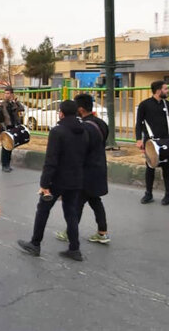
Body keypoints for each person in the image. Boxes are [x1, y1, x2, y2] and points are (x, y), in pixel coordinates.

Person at [17, 100, 89, 262]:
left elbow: (51, 160)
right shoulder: (83, 131)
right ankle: (74, 248)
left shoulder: (58, 131)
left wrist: (44, 183)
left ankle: (35, 244)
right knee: (71, 212)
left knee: (43, 209)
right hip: (76, 178)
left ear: (62, 113)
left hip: (57, 179)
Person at [55, 94, 110, 244]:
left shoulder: (84, 128)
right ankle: (102, 232)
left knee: (76, 203)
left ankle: (69, 233)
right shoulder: (101, 123)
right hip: (100, 168)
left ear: (80, 109)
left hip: (86, 171)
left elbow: (79, 152)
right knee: (95, 200)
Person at [135, 80, 169, 205]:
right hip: (150, 142)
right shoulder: (144, 105)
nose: (168, 91)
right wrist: (139, 139)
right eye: (166, 89)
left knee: (166, 167)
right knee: (150, 167)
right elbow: (139, 123)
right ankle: (148, 194)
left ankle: (168, 195)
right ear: (158, 90)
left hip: (165, 140)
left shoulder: (167, 104)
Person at [0, 86, 25, 172]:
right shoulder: (2, 105)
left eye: (8, 93)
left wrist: (17, 102)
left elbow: (22, 109)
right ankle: (4, 165)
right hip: (5, 127)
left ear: (12, 94)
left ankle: (8, 163)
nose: (6, 95)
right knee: (5, 146)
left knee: (10, 146)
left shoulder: (13, 104)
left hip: (13, 127)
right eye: (5, 93)